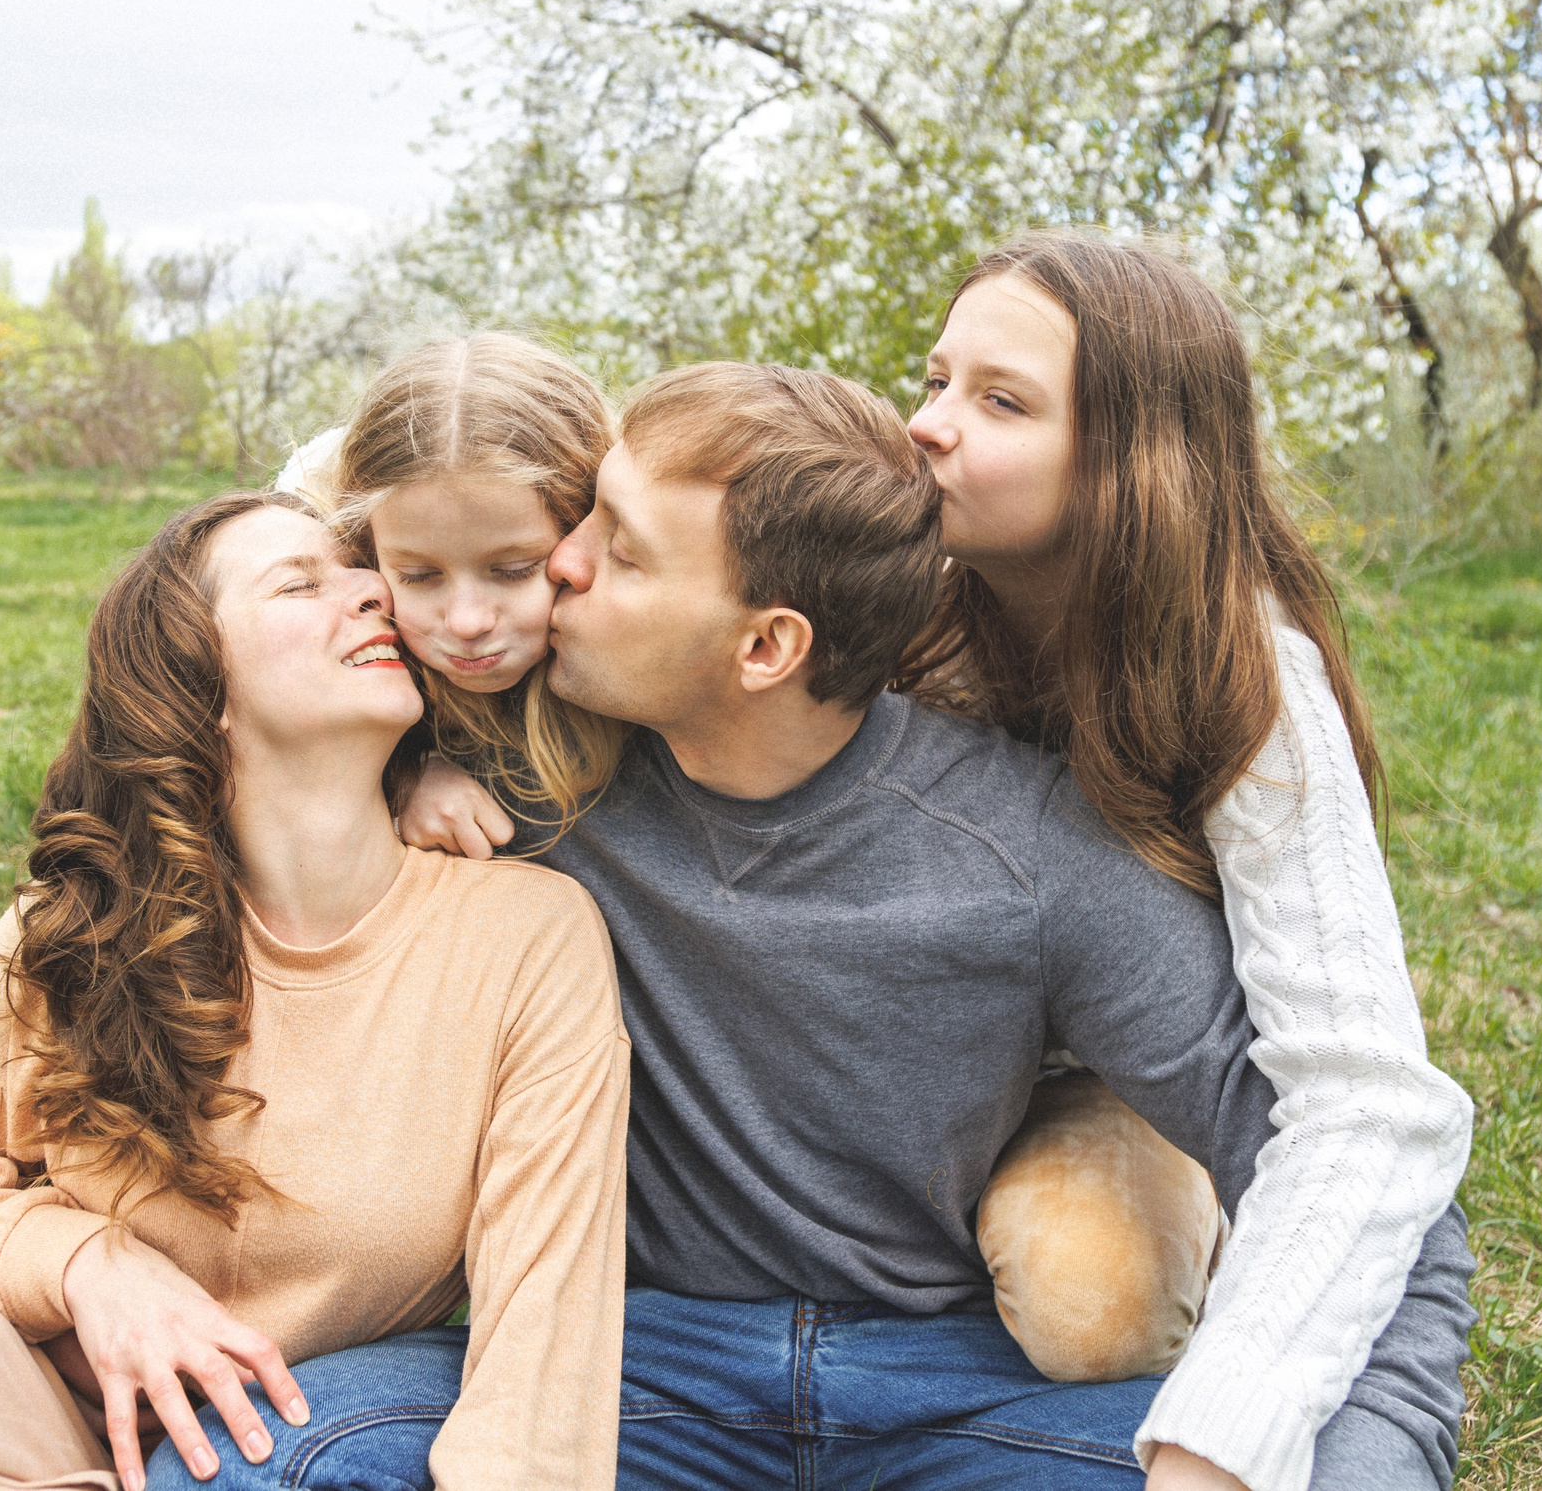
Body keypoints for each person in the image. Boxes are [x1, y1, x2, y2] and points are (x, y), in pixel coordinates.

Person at [267, 362, 1475, 1491]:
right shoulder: (511, 782)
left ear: (766, 645)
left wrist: (1365, 1459)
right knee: (259, 1451)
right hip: (625, 1366)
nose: (560, 568)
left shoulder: (1034, 853)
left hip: (951, 1386)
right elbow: (300, 573)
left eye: (616, 550)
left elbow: (1357, 1176)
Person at [0, 491, 630, 1491]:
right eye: (302, 582)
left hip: (286, 1454)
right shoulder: (85, 924)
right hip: (33, 1415)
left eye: (362, 572)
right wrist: (92, 1266)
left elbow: (540, 1337)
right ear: (199, 687)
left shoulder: (527, 937)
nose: (374, 593)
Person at [898, 227, 1476, 1486]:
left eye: (999, 401)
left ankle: (1215, 1240)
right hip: (931, 1067)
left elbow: (1361, 1086)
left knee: (1086, 1297)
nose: (928, 425)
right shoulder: (906, 608)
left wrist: (1231, 1433)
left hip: (1131, 1069)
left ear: (1125, 463)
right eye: (933, 378)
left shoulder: (1244, 676)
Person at [317, 332, 627, 847]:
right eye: (418, 577)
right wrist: (398, 780)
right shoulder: (363, 678)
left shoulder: (652, 681)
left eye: (514, 570)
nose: (466, 622)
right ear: (369, 552)